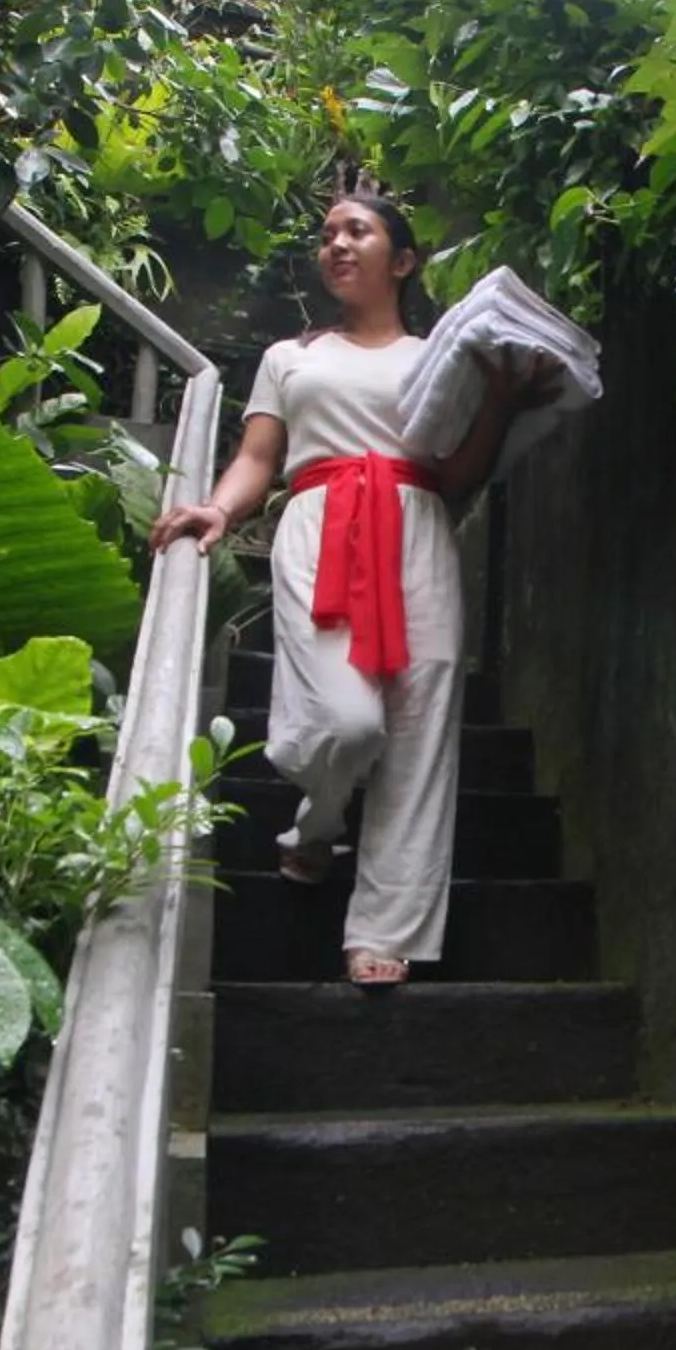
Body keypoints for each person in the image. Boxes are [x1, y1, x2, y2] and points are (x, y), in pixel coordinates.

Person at [150, 193, 549, 987]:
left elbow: (458, 476)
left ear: (402, 261)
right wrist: (219, 509)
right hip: (321, 526)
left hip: (417, 529)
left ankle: (382, 931)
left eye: (356, 231)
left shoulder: (441, 358)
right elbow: (260, 457)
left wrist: (500, 401)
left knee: (419, 728)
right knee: (346, 720)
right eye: (328, 233)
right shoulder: (290, 358)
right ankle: (318, 823)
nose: (336, 243)